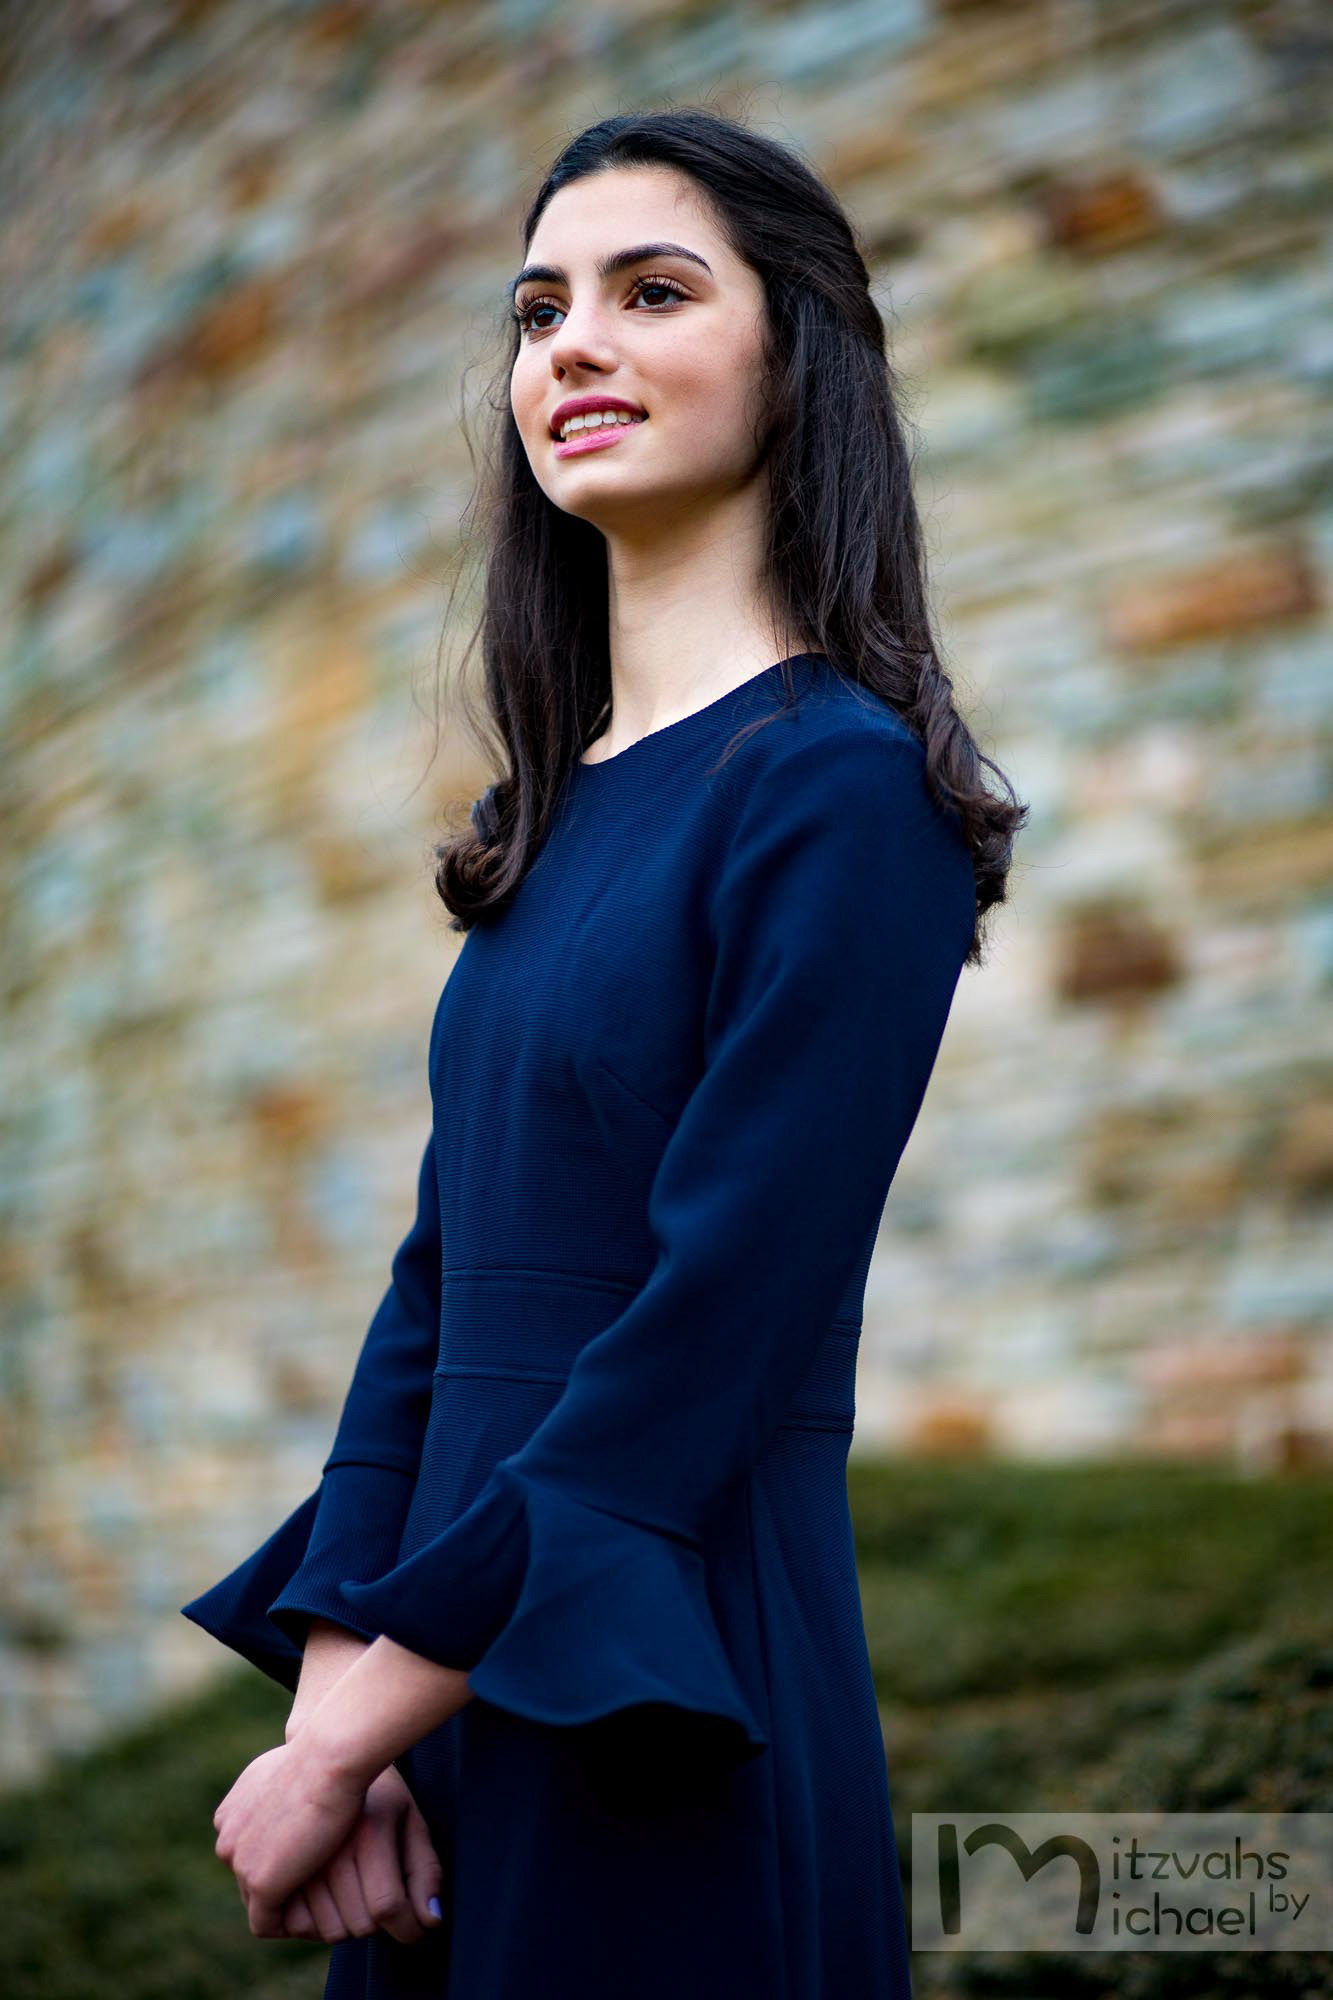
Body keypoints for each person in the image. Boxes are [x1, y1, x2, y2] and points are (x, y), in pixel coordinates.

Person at [182, 105, 1026, 1998]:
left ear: (795, 357)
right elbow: (437, 1291)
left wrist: (341, 1735)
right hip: (447, 1686)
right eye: (539, 306)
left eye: (654, 292)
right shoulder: (546, 823)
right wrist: (359, 1703)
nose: (572, 343)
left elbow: (703, 1336)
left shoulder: (838, 794)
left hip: (665, 1682)